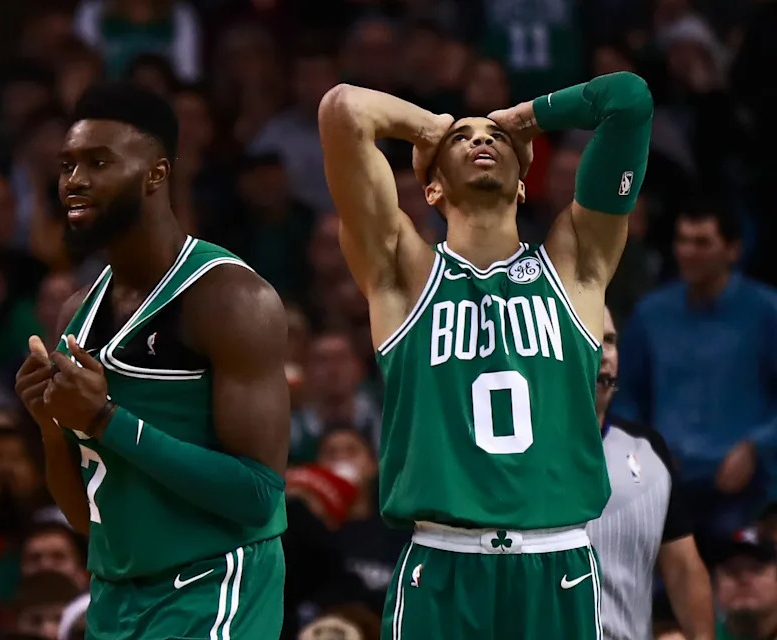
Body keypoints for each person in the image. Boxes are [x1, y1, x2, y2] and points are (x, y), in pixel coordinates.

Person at [318, 70, 653, 638]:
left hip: (558, 561)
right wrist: (433, 127)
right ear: (431, 189)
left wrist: (521, 119)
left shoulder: (575, 267)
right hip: (443, 561)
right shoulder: (403, 273)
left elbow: (628, 100)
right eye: (464, 140)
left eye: (493, 138)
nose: (481, 140)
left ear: (524, 185)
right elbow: (343, 110)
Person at [14, 82, 290, 639]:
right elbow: (87, 520)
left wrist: (104, 420)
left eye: (98, 162)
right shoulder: (77, 312)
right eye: (67, 165)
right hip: (115, 593)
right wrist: (50, 426)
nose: (75, 181)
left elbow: (258, 496)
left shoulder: (229, 298)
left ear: (156, 174)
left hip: (216, 583)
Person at [610, 205, 777, 537]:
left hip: (746, 484)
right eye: (682, 241)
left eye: (702, 242)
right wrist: (646, 448)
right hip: (667, 479)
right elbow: (626, 396)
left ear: (733, 250)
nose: (688, 252)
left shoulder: (766, 311)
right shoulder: (651, 314)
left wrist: (756, 446)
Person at [586, 307, 714, 640]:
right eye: (589, 339)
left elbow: (684, 570)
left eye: (610, 341)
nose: (603, 355)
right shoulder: (515, 455)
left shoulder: (649, 449)